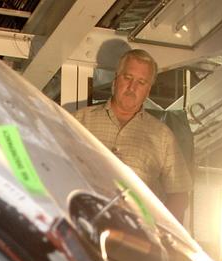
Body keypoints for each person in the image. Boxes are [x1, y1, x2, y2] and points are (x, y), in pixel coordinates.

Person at [75, 48, 192, 220]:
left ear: (148, 90)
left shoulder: (162, 136)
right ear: (116, 79)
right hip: (81, 226)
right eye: (127, 78)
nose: (132, 87)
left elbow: (179, 193)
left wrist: (159, 235)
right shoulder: (80, 121)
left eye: (141, 82)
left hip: (135, 238)